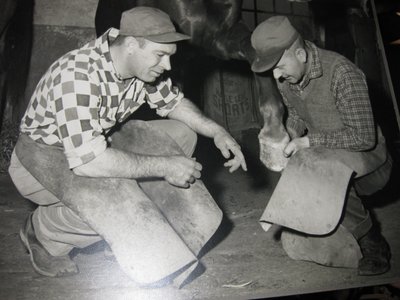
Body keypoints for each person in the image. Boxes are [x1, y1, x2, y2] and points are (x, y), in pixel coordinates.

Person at [8, 6, 247, 278]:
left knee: (182, 134)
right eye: (161, 56)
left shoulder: (142, 67)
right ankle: (43, 231)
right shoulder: (77, 76)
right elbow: (91, 163)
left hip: (94, 144)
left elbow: (174, 104)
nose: (167, 66)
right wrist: (165, 166)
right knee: (109, 198)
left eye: (169, 58)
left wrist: (216, 131)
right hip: (41, 160)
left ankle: (132, 220)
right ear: (132, 44)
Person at [251, 16, 392, 275]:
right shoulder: (287, 78)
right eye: (272, 70)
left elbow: (363, 137)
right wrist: (288, 134)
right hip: (328, 150)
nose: (276, 76)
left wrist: (308, 141)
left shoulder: (342, 73)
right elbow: (296, 114)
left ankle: (373, 242)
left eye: (280, 67)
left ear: (301, 54)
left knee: (320, 167)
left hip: (371, 158)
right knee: (302, 162)